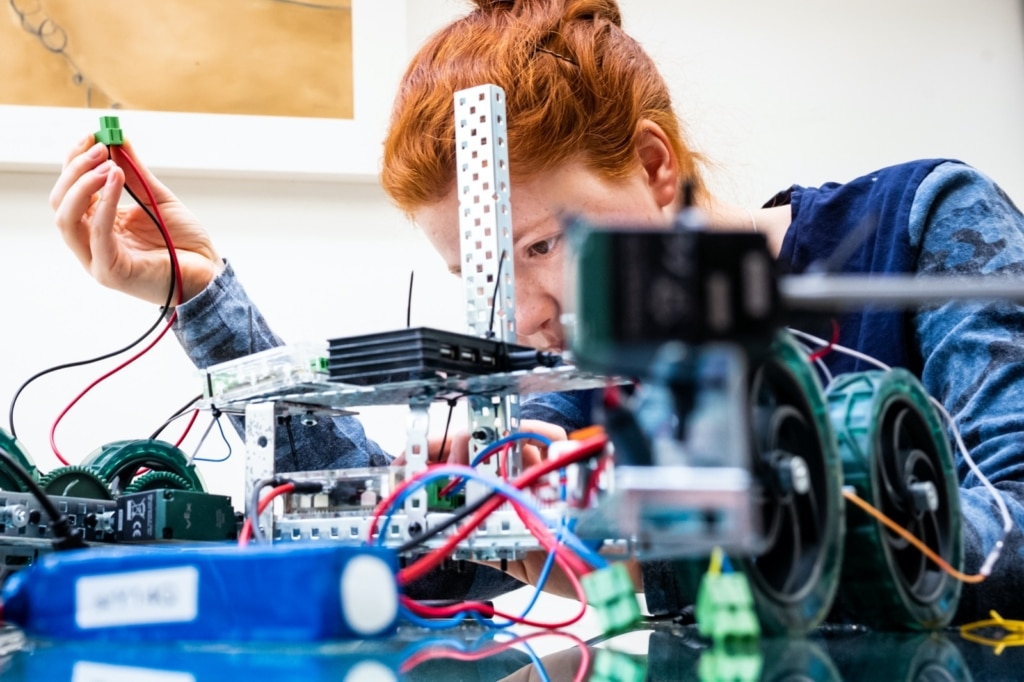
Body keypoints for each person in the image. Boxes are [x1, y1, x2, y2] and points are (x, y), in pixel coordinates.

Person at [50, 0, 1024, 625]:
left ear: (652, 166)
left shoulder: (925, 222)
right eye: (479, 274)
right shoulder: (577, 380)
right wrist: (202, 293)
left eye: (540, 247)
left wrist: (667, 543)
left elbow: (1011, 528)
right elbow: (413, 531)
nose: (522, 319)